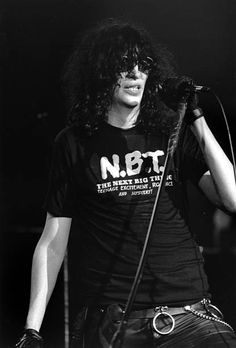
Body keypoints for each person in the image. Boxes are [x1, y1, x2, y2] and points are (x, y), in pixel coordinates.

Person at [15, 18, 236, 348]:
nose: (136, 73)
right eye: (124, 64)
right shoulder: (74, 143)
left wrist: (196, 119)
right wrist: (32, 329)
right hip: (114, 324)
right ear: (102, 73)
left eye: (142, 64)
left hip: (189, 317)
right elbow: (53, 240)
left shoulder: (170, 132)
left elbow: (231, 200)